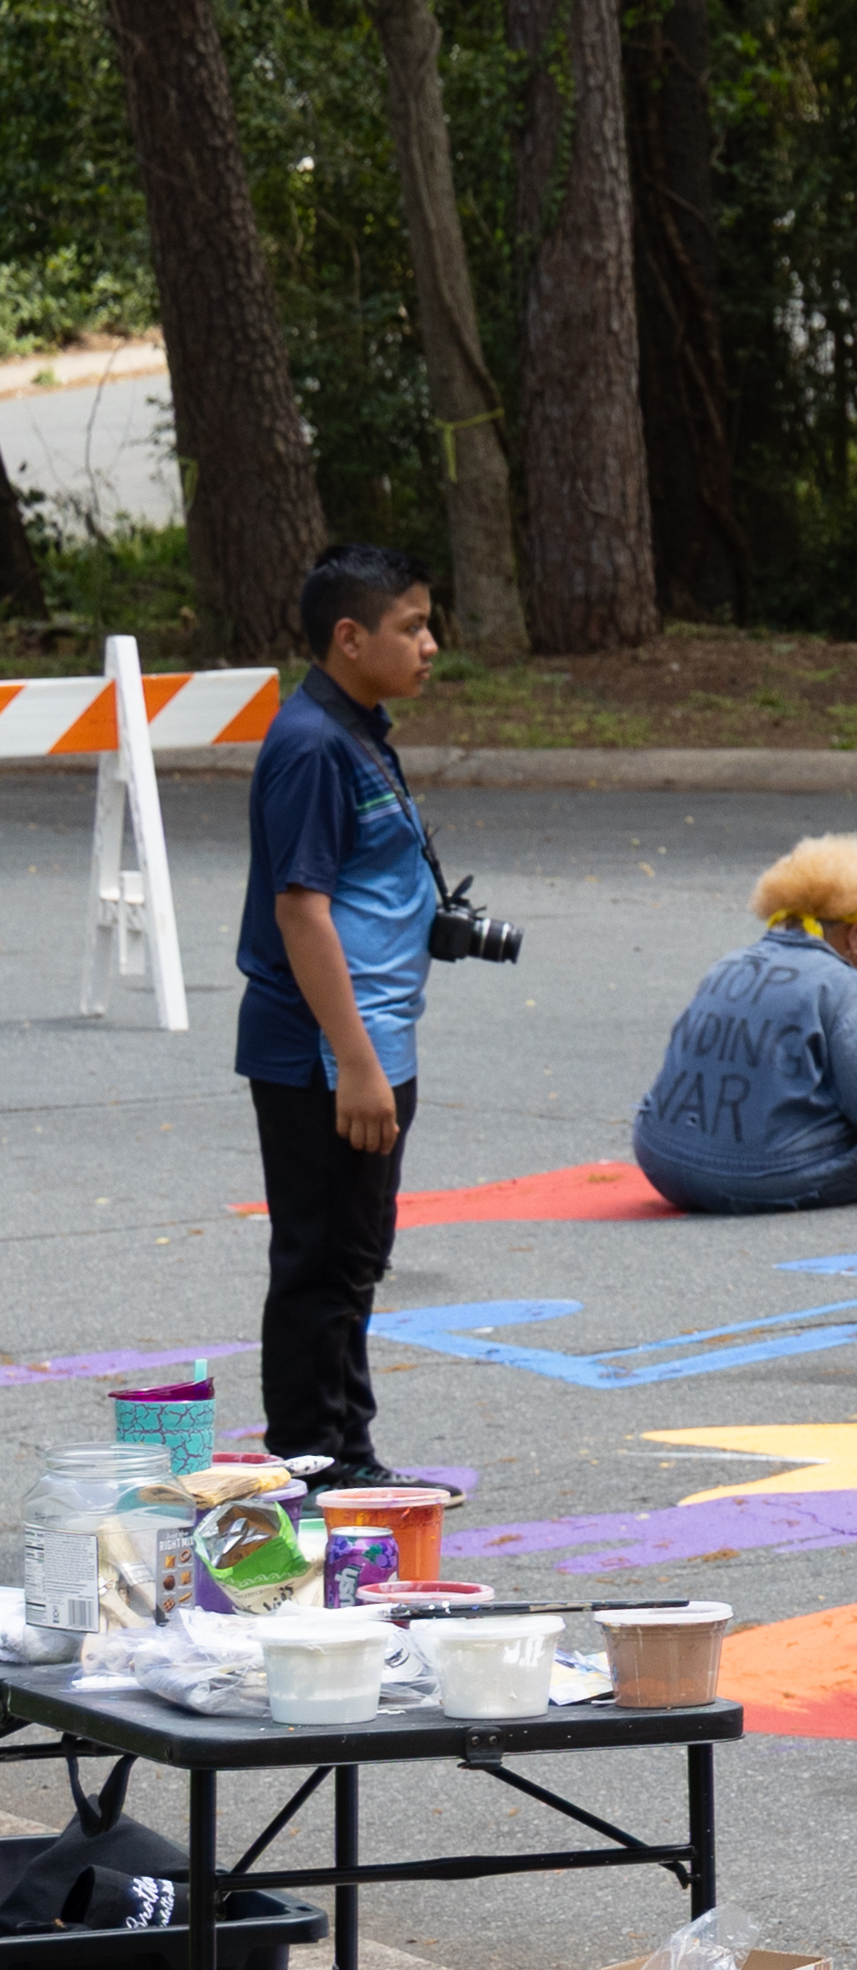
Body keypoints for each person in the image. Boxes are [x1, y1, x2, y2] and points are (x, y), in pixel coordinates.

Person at [234, 547, 448, 1487]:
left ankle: (344, 1457)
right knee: (323, 1263)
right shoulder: (312, 743)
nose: (430, 644)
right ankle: (317, 1469)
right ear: (349, 638)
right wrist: (356, 1063)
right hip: (325, 1052)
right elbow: (301, 907)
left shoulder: (357, 729)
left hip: (367, 1038)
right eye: (411, 626)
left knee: (352, 1261)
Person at [631, 835, 857, 1214]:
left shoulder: (727, 965)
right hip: (763, 1177)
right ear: (855, 936)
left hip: (663, 1163)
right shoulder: (841, 984)